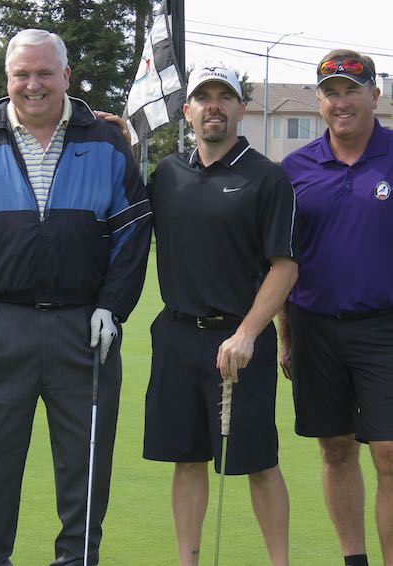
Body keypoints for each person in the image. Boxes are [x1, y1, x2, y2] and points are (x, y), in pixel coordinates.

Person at [0, 28, 152, 566]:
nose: (33, 84)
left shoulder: (105, 140)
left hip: (84, 327)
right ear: (7, 79)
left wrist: (111, 308)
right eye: (22, 74)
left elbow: (134, 232)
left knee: (86, 467)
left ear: (66, 76)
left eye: (45, 73)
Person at [102, 65, 299, 566]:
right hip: (177, 338)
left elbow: (284, 266)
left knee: (259, 462)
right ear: (187, 110)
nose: (213, 106)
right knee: (185, 460)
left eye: (224, 97)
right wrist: (114, 140)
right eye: (203, 97)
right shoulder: (167, 175)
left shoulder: (266, 177)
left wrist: (250, 334)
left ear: (240, 107)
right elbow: (117, 211)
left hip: (238, 341)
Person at [279, 49, 393, 566]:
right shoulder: (295, 169)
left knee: (389, 453)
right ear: (319, 102)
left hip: (385, 328)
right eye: (331, 93)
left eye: (352, 90)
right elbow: (283, 258)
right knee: (335, 448)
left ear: (375, 95)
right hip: (314, 329)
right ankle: (354, 560)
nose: (341, 101)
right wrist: (285, 335)